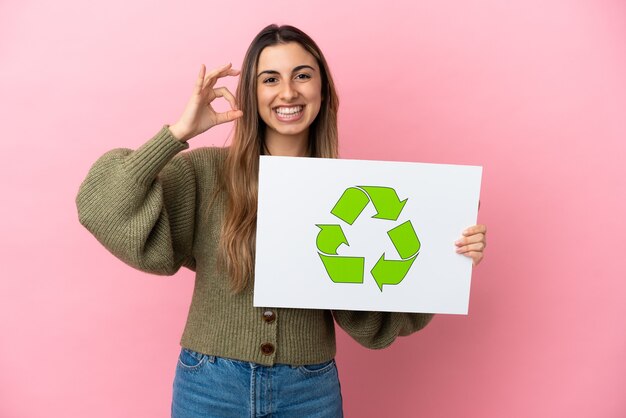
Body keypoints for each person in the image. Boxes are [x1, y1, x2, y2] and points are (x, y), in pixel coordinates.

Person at [76, 24, 487, 418]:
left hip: (309, 390)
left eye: (302, 75)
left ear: (322, 89)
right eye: (269, 79)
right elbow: (102, 204)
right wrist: (179, 131)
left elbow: (372, 319)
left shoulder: (348, 194)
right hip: (210, 386)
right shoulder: (204, 173)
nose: (288, 91)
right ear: (250, 93)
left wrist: (445, 261)